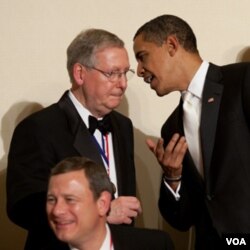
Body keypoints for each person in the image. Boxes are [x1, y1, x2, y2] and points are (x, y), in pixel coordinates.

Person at [7, 28, 141, 250]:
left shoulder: (122, 126)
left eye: (126, 73)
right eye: (112, 73)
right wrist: (102, 213)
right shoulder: (38, 128)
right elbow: (23, 207)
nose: (123, 83)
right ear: (80, 73)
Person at [133, 14, 250, 249]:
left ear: (171, 45)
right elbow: (182, 220)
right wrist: (172, 177)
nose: (139, 71)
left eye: (142, 57)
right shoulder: (171, 128)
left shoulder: (242, 80)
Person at [45, 156, 174, 250]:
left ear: (102, 204)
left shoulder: (156, 245)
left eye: (70, 200)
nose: (57, 210)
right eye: (51, 200)